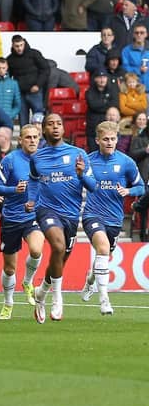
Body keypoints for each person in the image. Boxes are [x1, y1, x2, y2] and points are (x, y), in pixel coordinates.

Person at [28, 114, 96, 323]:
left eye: (59, 123)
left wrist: (81, 175)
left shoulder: (78, 154)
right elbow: (33, 181)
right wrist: (31, 200)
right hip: (46, 210)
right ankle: (58, 298)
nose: (55, 127)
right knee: (57, 247)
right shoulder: (37, 157)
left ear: (63, 129)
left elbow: (93, 186)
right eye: (51, 124)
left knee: (59, 260)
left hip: (71, 215)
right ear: (44, 130)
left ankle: (41, 294)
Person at [79, 121, 144, 315]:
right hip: (92, 214)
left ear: (117, 139)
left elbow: (141, 186)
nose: (109, 142)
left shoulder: (126, 162)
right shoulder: (89, 160)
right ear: (97, 140)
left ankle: (90, 279)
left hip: (115, 218)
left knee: (103, 253)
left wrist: (129, 190)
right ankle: (104, 300)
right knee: (103, 248)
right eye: (105, 139)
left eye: (113, 139)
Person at [0, 124, 44, 319]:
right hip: (12, 218)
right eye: (28, 137)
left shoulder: (44, 160)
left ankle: (28, 281)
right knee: (9, 267)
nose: (32, 140)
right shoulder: (10, 161)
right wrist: (15, 190)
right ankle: (8, 303)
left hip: (33, 216)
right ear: (20, 140)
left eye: (35, 137)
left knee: (37, 250)